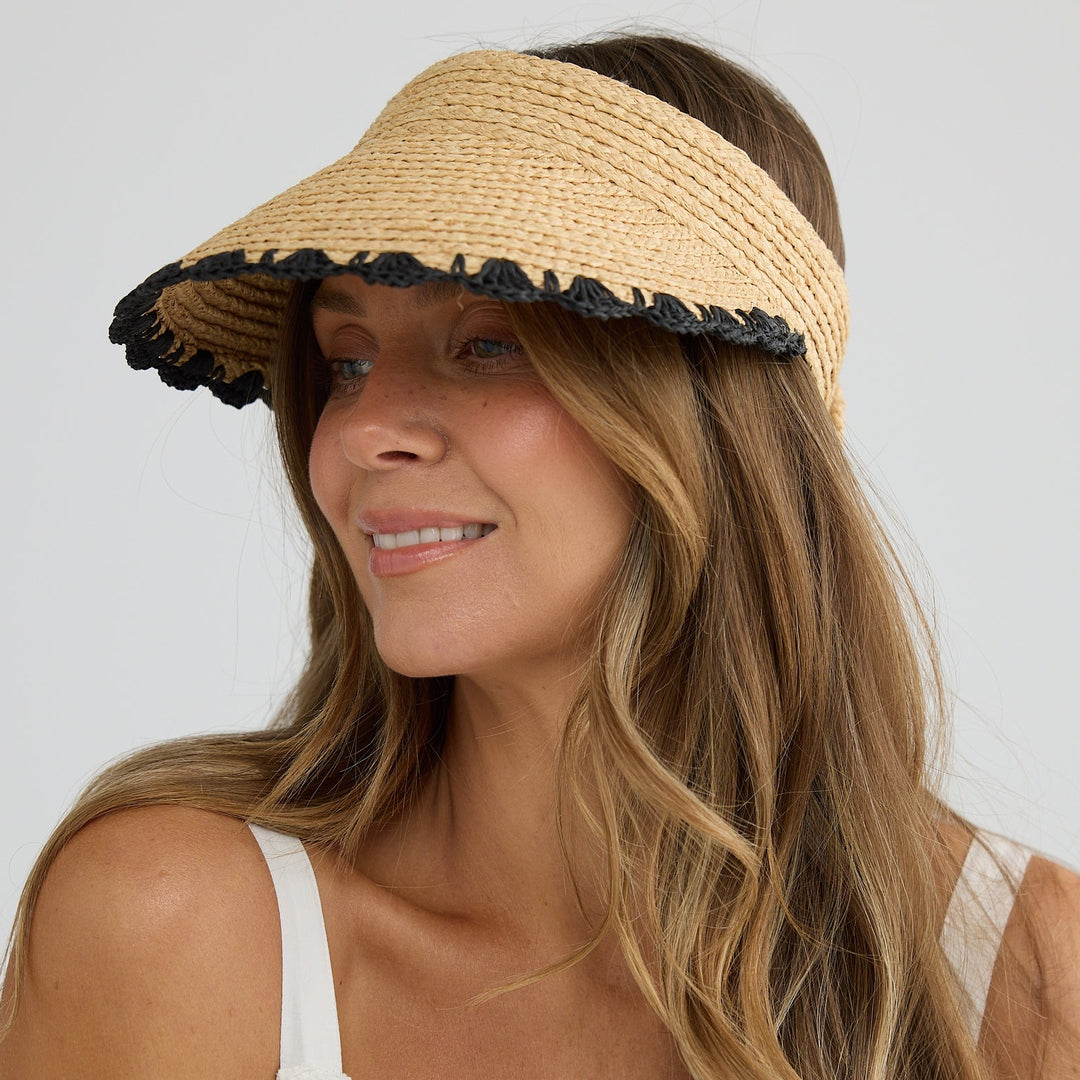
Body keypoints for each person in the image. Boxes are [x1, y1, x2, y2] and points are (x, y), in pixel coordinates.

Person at [0, 30, 1077, 1080]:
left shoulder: (1021, 974)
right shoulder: (179, 925)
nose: (367, 430)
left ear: (713, 421)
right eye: (349, 359)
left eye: (487, 344)